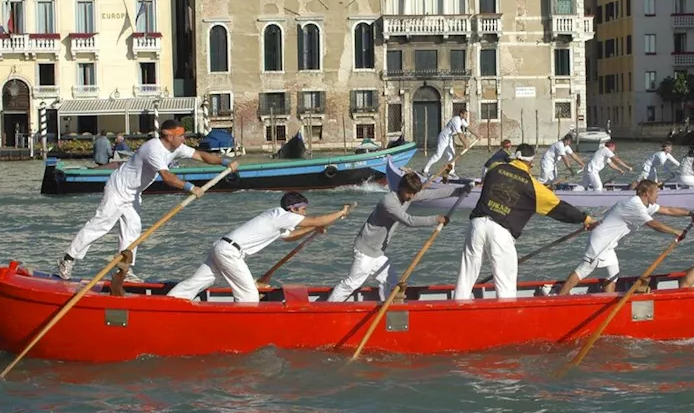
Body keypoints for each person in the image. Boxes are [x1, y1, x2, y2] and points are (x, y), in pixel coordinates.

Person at [57, 119, 237, 281]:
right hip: (117, 190)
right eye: (181, 135)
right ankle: (68, 259)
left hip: (133, 194)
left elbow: (200, 155)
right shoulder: (153, 149)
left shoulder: (177, 147)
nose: (184, 138)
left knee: (133, 230)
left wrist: (224, 162)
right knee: (101, 226)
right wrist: (190, 187)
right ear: (168, 135)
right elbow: (166, 177)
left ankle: (123, 271)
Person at [453, 143, 596, 300]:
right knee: (505, 283)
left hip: (477, 224)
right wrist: (585, 218)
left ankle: (456, 308)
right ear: (531, 163)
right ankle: (507, 318)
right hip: (500, 231)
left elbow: (496, 159)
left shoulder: (494, 168)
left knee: (466, 275)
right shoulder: (533, 187)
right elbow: (560, 208)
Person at [168, 193, 352, 303]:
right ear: (293, 208)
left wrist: (313, 228)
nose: (305, 212)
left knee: (194, 284)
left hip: (221, 247)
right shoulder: (282, 214)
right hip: (230, 253)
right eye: (303, 208)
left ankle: (167, 304)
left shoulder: (277, 217)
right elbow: (316, 220)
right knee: (249, 296)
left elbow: (289, 237)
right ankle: (241, 327)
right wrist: (340, 213)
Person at [558, 180, 694, 295]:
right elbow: (654, 225)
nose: (658, 196)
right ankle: (560, 298)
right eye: (656, 193)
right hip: (600, 241)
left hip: (609, 244)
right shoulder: (634, 206)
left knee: (613, 273)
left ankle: (607, 298)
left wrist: (691, 214)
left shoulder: (644, 205)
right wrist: (675, 231)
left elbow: (668, 210)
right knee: (583, 270)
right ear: (646, 193)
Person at [326, 172, 448, 302]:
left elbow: (433, 194)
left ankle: (389, 307)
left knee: (391, 282)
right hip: (365, 251)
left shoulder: (407, 196)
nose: (411, 196)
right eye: (409, 193)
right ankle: (326, 309)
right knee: (351, 284)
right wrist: (436, 219)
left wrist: (459, 191)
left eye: (414, 193)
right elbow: (409, 221)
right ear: (401, 188)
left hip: (377, 253)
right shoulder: (389, 202)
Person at [422, 108, 477, 177]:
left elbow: (469, 127)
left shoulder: (462, 120)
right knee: (438, 155)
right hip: (443, 137)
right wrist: (465, 144)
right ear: (461, 114)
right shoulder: (456, 120)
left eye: (467, 114)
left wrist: (477, 135)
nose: (467, 116)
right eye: (465, 114)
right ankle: (425, 169)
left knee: (451, 155)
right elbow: (460, 134)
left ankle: (451, 172)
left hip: (449, 138)